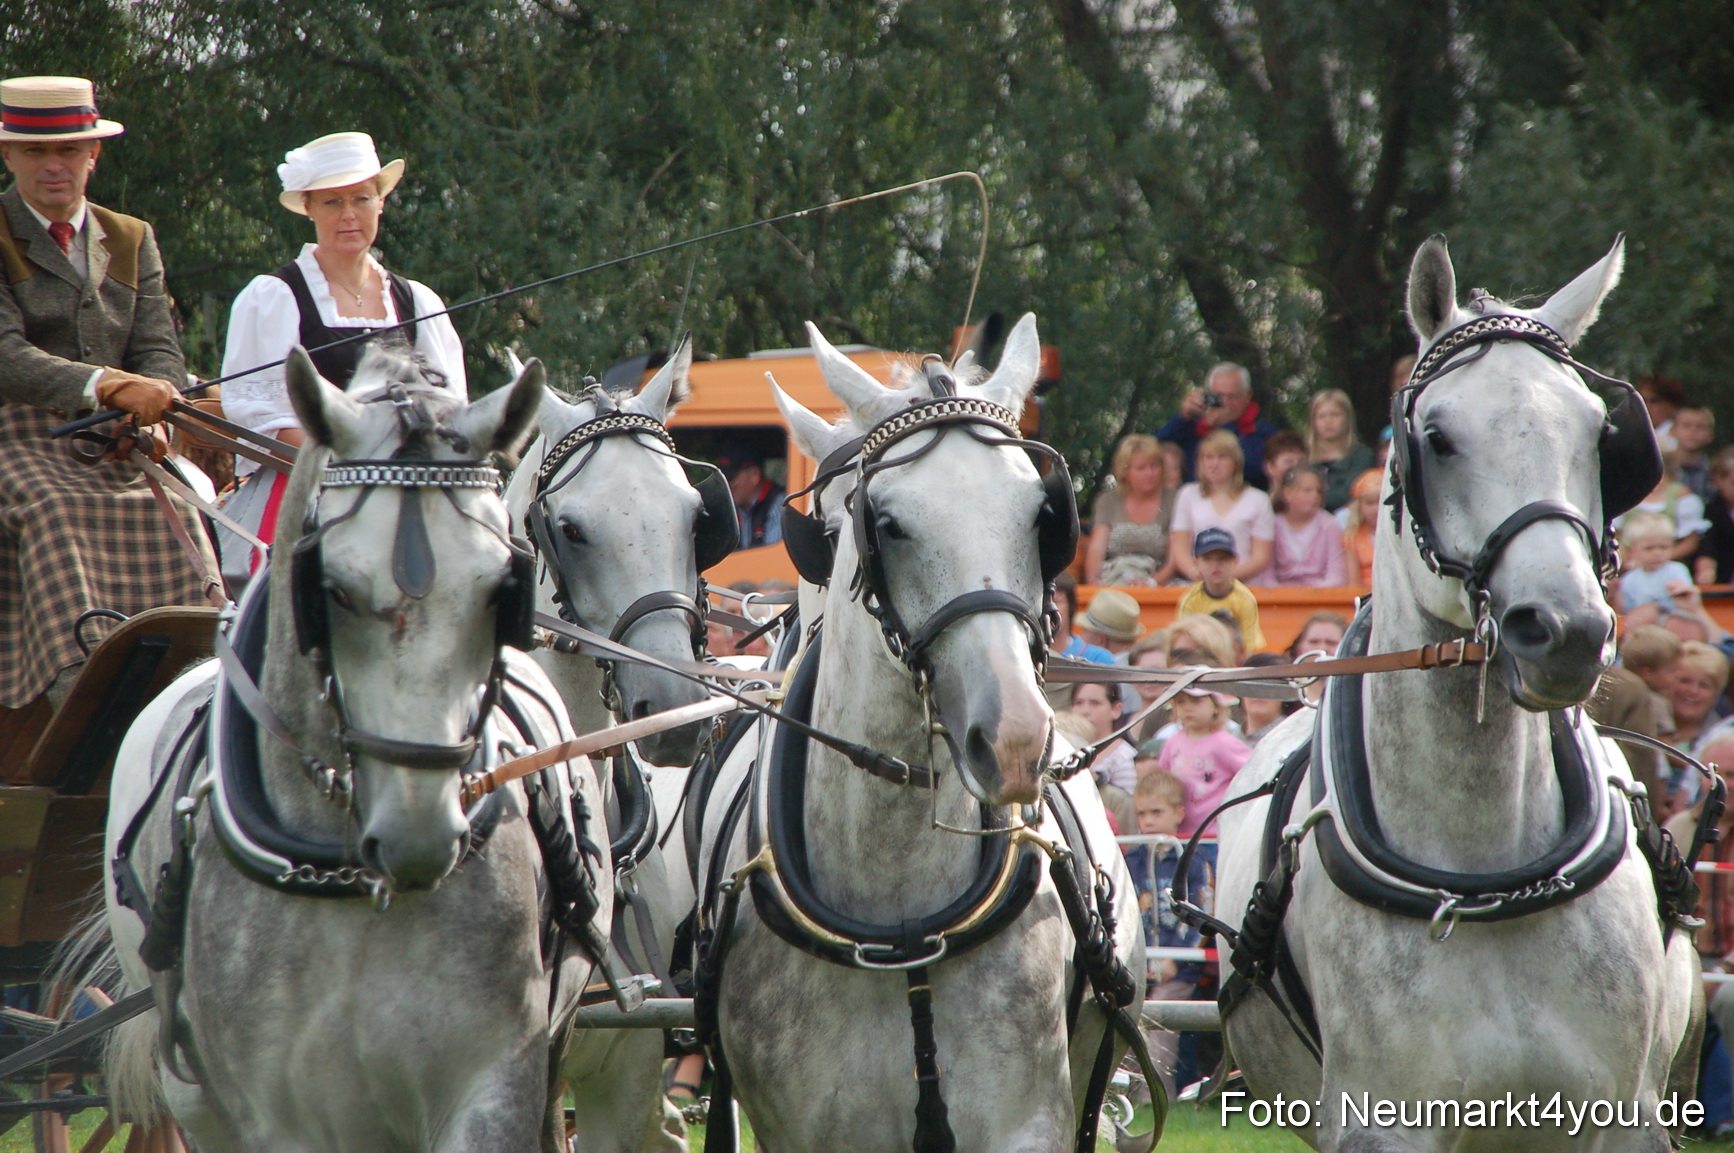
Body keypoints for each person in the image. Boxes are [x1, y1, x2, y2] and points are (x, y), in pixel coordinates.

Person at [0, 75, 216, 711]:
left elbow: (158, 354)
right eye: (36, 152)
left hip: (118, 444)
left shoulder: (130, 237)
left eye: (68, 150)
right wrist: (108, 385)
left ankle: (200, 670)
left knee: (179, 505)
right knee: (53, 510)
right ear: (8, 156)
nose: (54, 167)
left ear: (93, 155)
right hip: (19, 436)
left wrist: (157, 415)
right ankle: (82, 689)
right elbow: (5, 355)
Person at [218, 131, 467, 584]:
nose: (349, 215)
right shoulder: (274, 297)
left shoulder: (419, 302)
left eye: (361, 198)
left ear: (381, 203)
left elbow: (450, 413)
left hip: (412, 490)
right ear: (309, 208)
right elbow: (263, 419)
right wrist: (358, 462)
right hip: (307, 487)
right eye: (332, 202)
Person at [1124, 769, 1210, 1103]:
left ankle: (1156, 1100)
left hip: (1182, 966)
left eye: (1156, 812)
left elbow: (1204, 911)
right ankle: (1126, 1099)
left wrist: (1175, 958)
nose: (1147, 821)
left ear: (1178, 813)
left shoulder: (1194, 858)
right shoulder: (1131, 859)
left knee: (1158, 1019)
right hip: (1139, 962)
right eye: (1141, 813)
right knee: (1128, 1014)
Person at [1665, 737, 1734, 1138]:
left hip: (1728, 961)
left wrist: (1725, 967)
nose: (1727, 783)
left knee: (1727, 996)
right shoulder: (1677, 829)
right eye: (1719, 774)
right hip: (1689, 952)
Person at [1168, 430, 1274, 584]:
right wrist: (1195, 573)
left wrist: (1223, 579)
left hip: (1246, 586)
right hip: (1199, 584)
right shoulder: (1188, 494)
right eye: (1208, 457)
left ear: (1236, 461)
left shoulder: (1258, 500)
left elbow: (1261, 557)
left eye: (1222, 457)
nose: (1214, 463)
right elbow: (1179, 548)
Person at [1155, 362, 1278, 490]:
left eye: (1232, 397)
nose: (1225, 403)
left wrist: (1225, 426)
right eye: (1218, 396)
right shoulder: (1192, 430)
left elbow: (1252, 468)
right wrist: (1183, 418)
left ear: (1247, 395)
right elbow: (1151, 450)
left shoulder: (1264, 433)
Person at [1158, 674, 1251, 838]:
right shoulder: (1173, 742)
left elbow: (1252, 773)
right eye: (1181, 702)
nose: (1188, 708)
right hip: (1180, 834)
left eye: (1196, 701)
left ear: (1215, 706)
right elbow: (1162, 781)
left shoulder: (1224, 743)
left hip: (1214, 834)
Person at [1084, 433, 1174, 586]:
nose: (1149, 474)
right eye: (1141, 468)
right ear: (1125, 471)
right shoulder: (1107, 501)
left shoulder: (1174, 500)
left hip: (1158, 583)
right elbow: (1097, 547)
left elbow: (1175, 556)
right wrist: (1093, 582)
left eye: (1154, 466)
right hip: (1114, 579)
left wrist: (1151, 584)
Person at [1176, 528, 1266, 652]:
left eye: (1223, 558)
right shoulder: (1190, 601)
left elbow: (1250, 647)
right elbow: (1184, 646)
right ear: (1196, 563)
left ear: (1235, 562)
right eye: (1207, 559)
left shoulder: (1245, 599)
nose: (1215, 565)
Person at [1618, 449, 1708, 563]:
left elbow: (1691, 541)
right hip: (1631, 565)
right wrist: (1626, 561)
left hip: (1668, 564)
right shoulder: (1627, 493)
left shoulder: (1681, 495)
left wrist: (1657, 559)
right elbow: (1617, 536)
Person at [1268, 465, 1346, 587]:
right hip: (1279, 596)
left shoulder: (1329, 524)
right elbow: (1267, 577)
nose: (1315, 496)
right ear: (1287, 493)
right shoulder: (1273, 524)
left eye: (1318, 491)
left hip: (1321, 595)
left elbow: (1336, 575)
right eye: (1307, 490)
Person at [1306, 389, 1376, 513]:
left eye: (1335, 414)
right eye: (1321, 416)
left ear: (1347, 417)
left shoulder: (1362, 456)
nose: (1328, 421)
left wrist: (1311, 500)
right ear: (1313, 421)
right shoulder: (1304, 458)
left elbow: (1351, 492)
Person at [1617, 511, 1694, 615]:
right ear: (1633, 550)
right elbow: (1626, 612)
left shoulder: (1677, 570)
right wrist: (1616, 592)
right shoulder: (1629, 580)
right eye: (1649, 548)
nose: (1657, 553)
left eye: (1664, 547)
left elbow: (1687, 603)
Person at [716, 441, 784, 549]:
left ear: (754, 475)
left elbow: (771, 558)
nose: (726, 486)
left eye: (730, 479)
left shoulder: (778, 504)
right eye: (722, 480)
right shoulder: (730, 507)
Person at [1071, 681, 1137, 793]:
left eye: (1095, 703)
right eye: (1078, 703)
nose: (1085, 711)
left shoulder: (1123, 757)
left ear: (1116, 710)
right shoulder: (1066, 750)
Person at [1696, 447, 1734, 586]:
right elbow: (1707, 549)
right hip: (1725, 585)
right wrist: (1706, 570)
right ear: (1718, 481)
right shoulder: (1713, 512)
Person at [1340, 469, 1382, 588]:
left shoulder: (1399, 536)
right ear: (1359, 506)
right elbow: (1353, 584)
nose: (1376, 509)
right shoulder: (1351, 538)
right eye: (1369, 503)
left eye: (1380, 502)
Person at [1674, 404, 1717, 504]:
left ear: (1711, 435)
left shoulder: (1715, 472)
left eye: (1700, 427)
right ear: (1673, 431)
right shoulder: (1660, 469)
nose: (1693, 431)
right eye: (1686, 425)